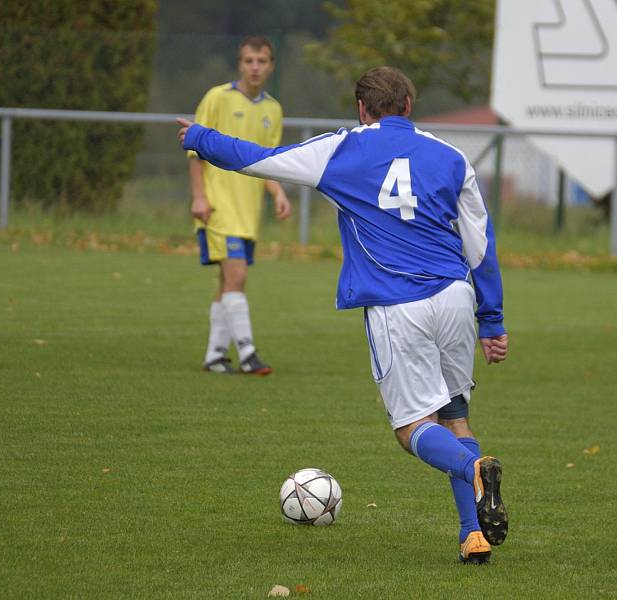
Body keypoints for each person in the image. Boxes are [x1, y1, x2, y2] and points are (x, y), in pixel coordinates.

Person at [178, 66, 509, 563]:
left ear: (361, 109)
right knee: (456, 418)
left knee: (413, 428)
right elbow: (480, 246)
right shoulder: (452, 156)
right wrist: (493, 320)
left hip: (399, 307)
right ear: (409, 105)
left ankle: (473, 472)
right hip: (456, 298)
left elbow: (259, 160)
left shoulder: (342, 148)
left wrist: (200, 137)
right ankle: (472, 534)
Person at [187, 35, 291, 376]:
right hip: (219, 206)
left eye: (262, 61)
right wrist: (200, 197)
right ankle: (248, 353)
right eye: (249, 60)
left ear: (271, 66)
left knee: (229, 282)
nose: (256, 67)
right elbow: (195, 150)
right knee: (237, 274)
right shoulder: (217, 98)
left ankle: (215, 356)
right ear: (240, 64)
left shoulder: (272, 109)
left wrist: (277, 193)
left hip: (248, 211)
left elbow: (268, 162)